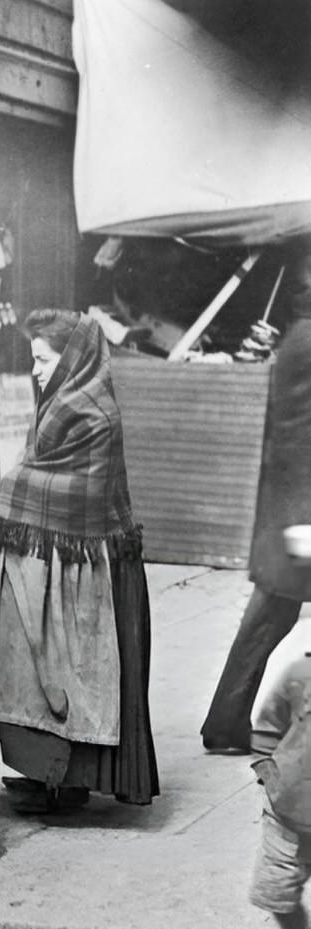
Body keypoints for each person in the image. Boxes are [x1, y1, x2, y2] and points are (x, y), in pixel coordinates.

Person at [0, 309, 158, 813]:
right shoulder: (60, 402)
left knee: (71, 670)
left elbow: (84, 492)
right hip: (60, 555)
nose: (35, 370)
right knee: (33, 663)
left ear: (72, 359)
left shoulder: (95, 414)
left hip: (89, 567)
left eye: (43, 359)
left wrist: (10, 491)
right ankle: (42, 771)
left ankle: (66, 783)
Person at [203, 248, 311, 755]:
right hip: (301, 515)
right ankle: (225, 722)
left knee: (270, 616)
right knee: (269, 616)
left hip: (291, 513)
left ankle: (225, 722)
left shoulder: (299, 337)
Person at [247, 647, 311, 929]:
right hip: (287, 818)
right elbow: (266, 730)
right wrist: (274, 784)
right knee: (276, 893)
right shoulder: (297, 675)